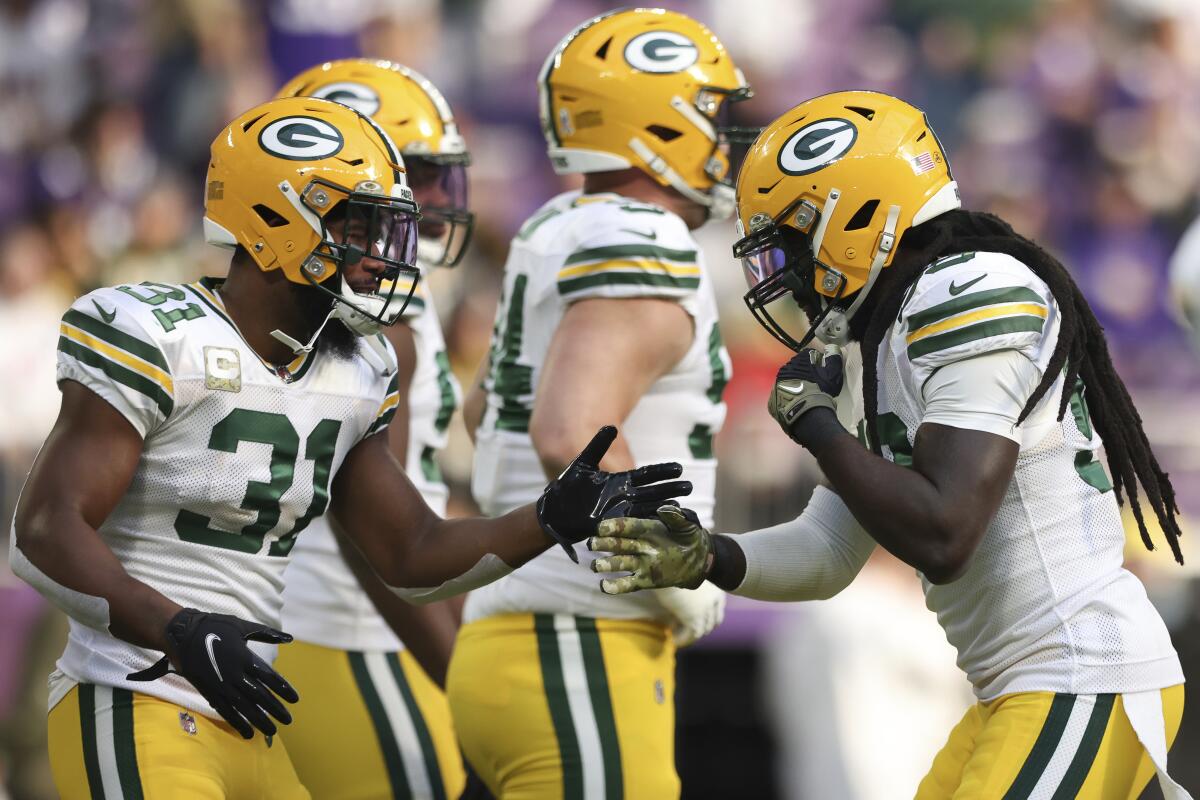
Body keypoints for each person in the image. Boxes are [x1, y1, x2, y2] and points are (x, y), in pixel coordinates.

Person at [9, 95, 691, 799]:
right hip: (134, 696)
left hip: (248, 723)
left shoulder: (355, 367)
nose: (380, 254)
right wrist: (174, 627)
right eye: (358, 227)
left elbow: (410, 552)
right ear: (276, 225)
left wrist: (546, 519)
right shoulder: (158, 333)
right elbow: (42, 530)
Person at [591, 91, 1191, 799]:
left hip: (1080, 674)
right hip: (1019, 687)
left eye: (790, 241)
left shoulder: (969, 289)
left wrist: (815, 426)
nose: (782, 272)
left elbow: (944, 532)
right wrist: (710, 556)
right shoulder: (881, 334)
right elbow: (830, 549)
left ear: (853, 218)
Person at [450, 8, 750, 799]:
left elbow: (487, 416)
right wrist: (678, 572)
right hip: (575, 641)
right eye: (712, 115)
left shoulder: (558, 224)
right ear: (661, 123)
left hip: (516, 641)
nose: (725, 139)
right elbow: (569, 433)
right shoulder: (644, 234)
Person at [270, 59, 471, 800]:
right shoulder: (376, 323)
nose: (434, 201)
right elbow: (374, 537)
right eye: (411, 173)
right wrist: (460, 677)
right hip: (354, 640)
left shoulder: (284, 307)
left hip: (307, 638)